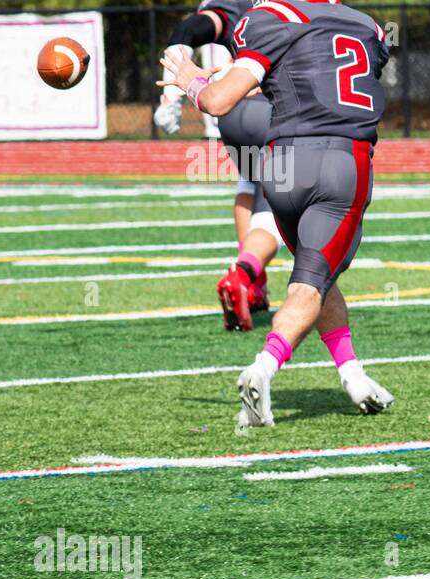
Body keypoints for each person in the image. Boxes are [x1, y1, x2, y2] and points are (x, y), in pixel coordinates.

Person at [159, 0, 395, 426]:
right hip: (342, 163)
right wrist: (203, 84)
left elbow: (220, 101)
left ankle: (352, 373)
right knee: (310, 284)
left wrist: (189, 81)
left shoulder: (271, 18)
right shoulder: (368, 26)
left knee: (317, 276)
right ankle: (263, 369)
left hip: (281, 168)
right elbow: (315, 77)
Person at [155, 0, 284, 331]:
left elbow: (188, 30)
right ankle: (244, 273)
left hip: (232, 113)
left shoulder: (235, 7)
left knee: (250, 182)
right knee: (281, 201)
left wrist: (170, 100)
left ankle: (255, 287)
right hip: (270, 107)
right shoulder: (304, 8)